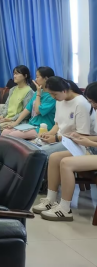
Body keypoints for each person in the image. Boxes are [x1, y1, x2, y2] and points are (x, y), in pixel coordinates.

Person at [32, 82, 97, 221]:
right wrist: (80, 138)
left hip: (93, 149)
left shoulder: (81, 104)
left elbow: (91, 139)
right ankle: (51, 199)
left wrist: (89, 142)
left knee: (66, 163)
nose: (92, 105)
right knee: (55, 157)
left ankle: (65, 208)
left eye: (92, 102)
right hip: (90, 147)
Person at [36, 76, 96, 155]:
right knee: (34, 147)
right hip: (62, 139)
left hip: (76, 143)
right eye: (50, 94)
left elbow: (82, 136)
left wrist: (57, 139)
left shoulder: (81, 103)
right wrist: (48, 134)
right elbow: (57, 125)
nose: (53, 97)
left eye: (54, 94)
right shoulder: (59, 100)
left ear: (64, 91)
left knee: (40, 153)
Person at [1, 67, 56, 140]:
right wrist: (15, 123)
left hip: (41, 128)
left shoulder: (52, 96)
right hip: (30, 125)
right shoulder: (38, 92)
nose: (36, 79)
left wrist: (38, 93)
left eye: (37, 77)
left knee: (12, 135)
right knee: (5, 131)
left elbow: (37, 110)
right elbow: (27, 109)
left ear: (46, 78)